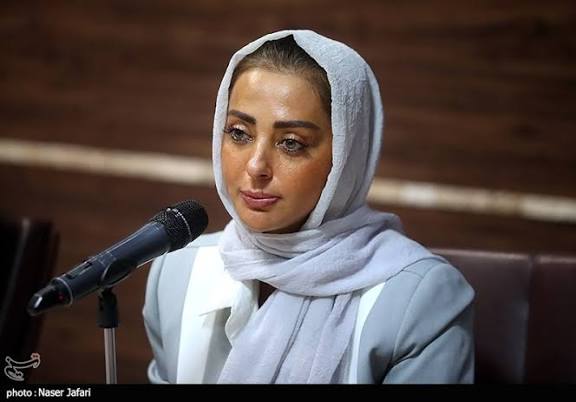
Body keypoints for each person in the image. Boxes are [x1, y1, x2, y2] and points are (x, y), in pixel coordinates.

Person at [143, 29, 475, 384]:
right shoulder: (178, 268)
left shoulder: (420, 299)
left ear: (347, 157)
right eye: (239, 133)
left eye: (291, 143)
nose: (256, 166)